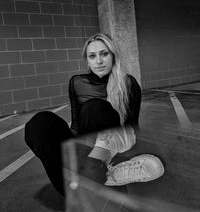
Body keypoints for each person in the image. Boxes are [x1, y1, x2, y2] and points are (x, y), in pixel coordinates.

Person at [25, 33, 164, 197]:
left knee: (95, 108)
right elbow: (76, 126)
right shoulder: (77, 83)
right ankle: (91, 178)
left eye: (104, 54)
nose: (99, 61)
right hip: (85, 148)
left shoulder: (128, 83)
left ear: (113, 56)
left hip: (113, 146)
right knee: (40, 123)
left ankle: (92, 176)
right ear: (87, 61)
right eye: (92, 56)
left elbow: (132, 129)